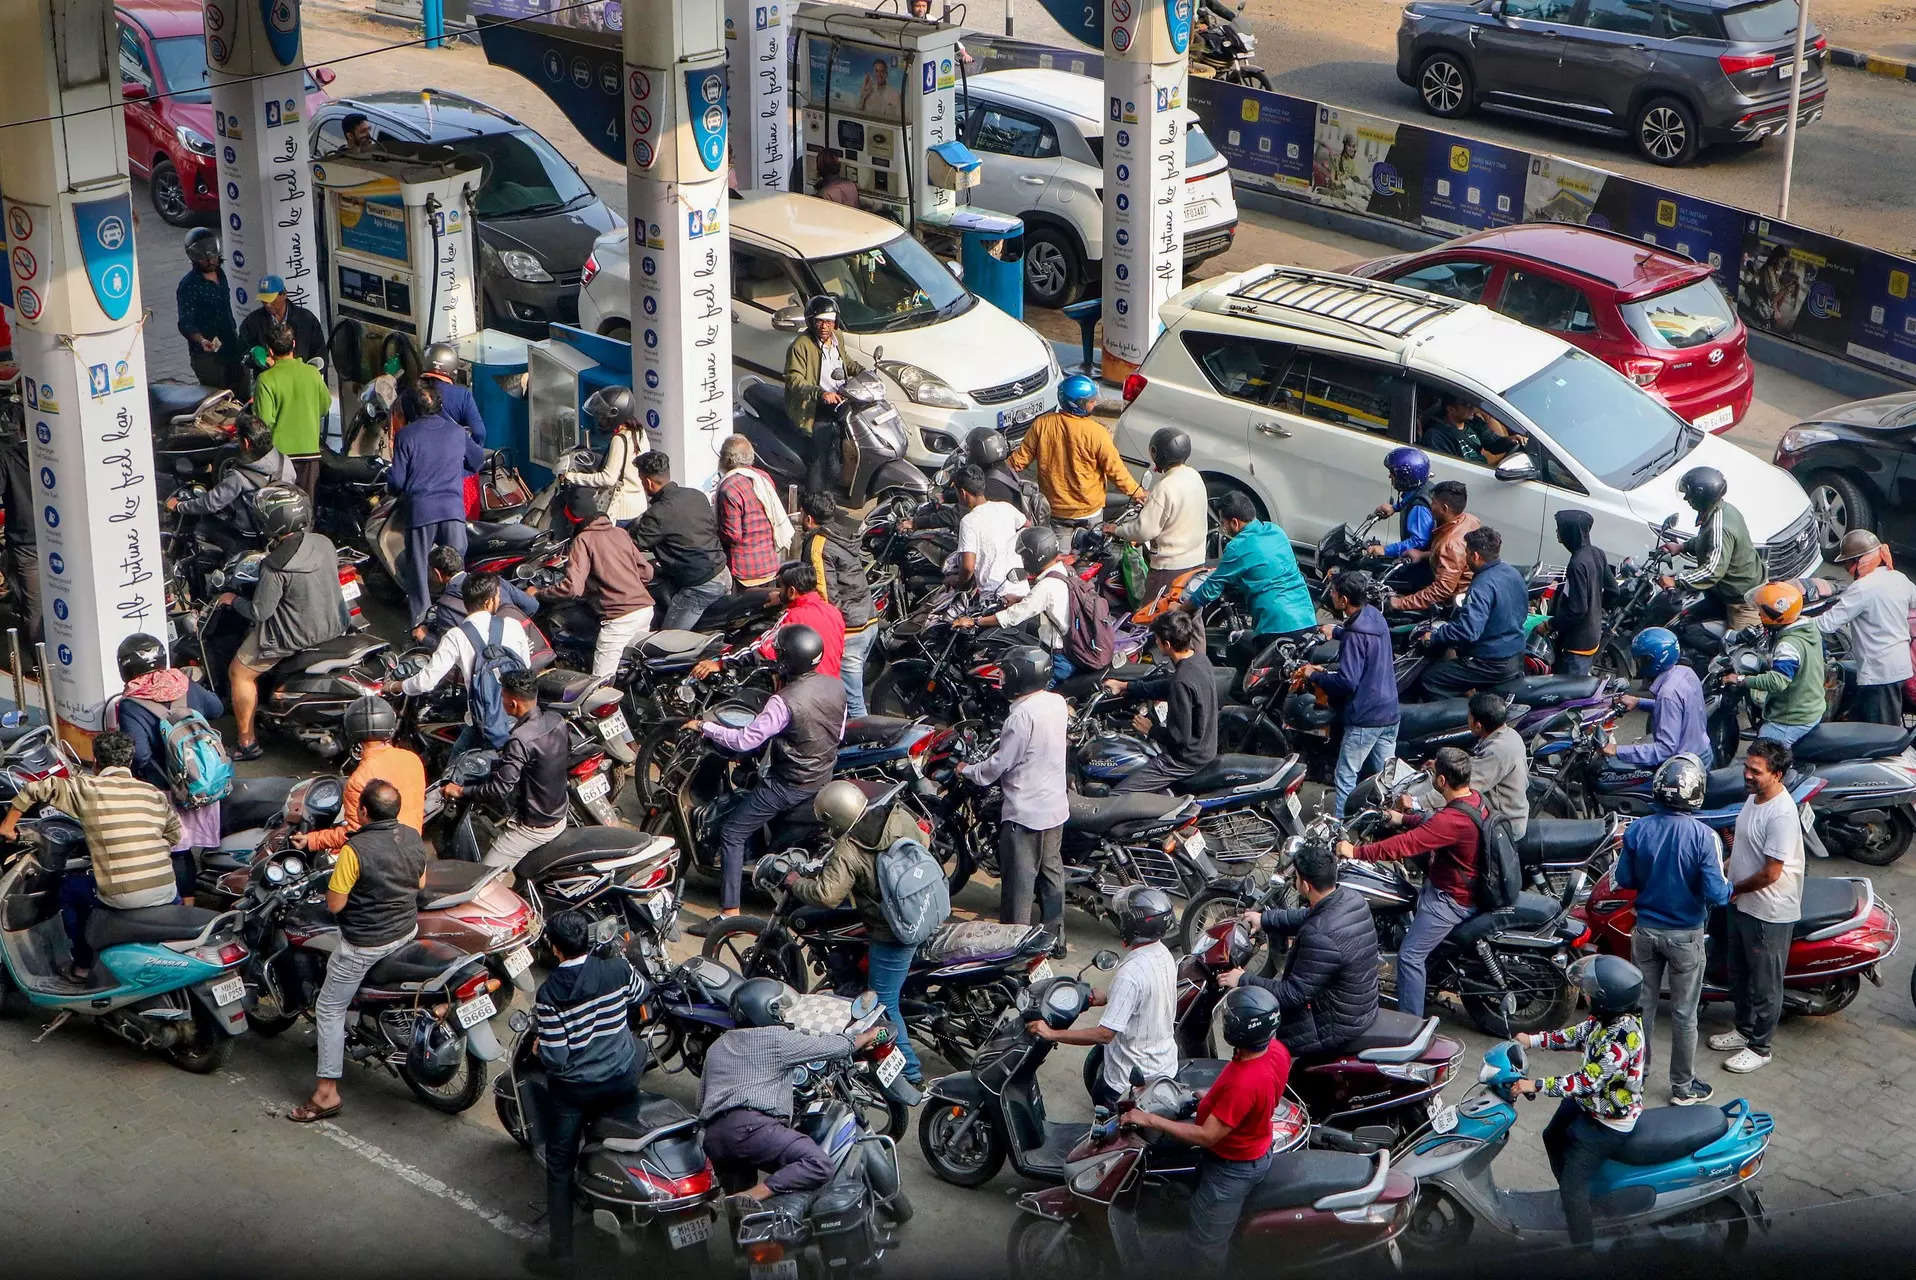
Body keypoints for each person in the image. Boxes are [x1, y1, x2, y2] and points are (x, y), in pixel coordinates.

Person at [285, 781, 429, 1123]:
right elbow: (420, 884)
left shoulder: (355, 849)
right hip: (405, 930)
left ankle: (326, 1093)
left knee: (329, 1008)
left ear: (363, 812)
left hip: (366, 943)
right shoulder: (412, 836)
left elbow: (334, 905)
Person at [1125, 986, 1292, 1278]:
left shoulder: (1245, 1082)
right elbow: (1263, 1096)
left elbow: (1207, 1136)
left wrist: (1151, 1120)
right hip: (1254, 1142)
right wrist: (1212, 1096)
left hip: (1232, 1168)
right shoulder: (1276, 1051)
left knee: (1206, 1247)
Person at [688, 625, 846, 929]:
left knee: (732, 833)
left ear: (787, 661)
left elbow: (746, 741)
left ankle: (729, 914)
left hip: (789, 783)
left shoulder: (783, 701)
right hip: (822, 774)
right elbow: (837, 731)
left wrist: (705, 727)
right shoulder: (834, 685)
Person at [525, 909, 647, 1274]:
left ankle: (561, 1256)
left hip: (577, 1091)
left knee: (560, 1167)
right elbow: (640, 993)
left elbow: (558, 1058)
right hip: (623, 1079)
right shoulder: (616, 968)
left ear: (555, 949)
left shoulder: (550, 994)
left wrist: (539, 1049)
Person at [0, 732, 179, 982]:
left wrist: (8, 826)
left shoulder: (86, 787)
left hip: (124, 897)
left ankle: (82, 965)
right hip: (167, 891)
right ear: (129, 762)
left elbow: (35, 788)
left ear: (96, 762)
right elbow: (175, 835)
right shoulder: (153, 793)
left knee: (69, 889)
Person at [792, 781, 937, 1085]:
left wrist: (795, 883)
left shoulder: (850, 848)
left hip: (893, 930)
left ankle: (908, 1069)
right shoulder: (895, 815)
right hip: (928, 905)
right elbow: (924, 840)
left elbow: (828, 895)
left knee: (882, 1001)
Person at [699, 978, 883, 1211]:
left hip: (715, 1138)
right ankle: (756, 1194)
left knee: (742, 1214)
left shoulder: (717, 1045)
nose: (784, 1016)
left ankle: (744, 1219)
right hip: (752, 1130)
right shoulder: (775, 1038)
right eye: (780, 1011)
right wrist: (867, 1037)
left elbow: (702, 1099)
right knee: (817, 1164)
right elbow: (831, 1046)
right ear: (766, 1011)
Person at [1611, 753, 1731, 1106]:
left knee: (1641, 1009)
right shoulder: (1704, 837)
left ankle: (1635, 1078)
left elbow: (1624, 878)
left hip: (1645, 933)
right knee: (1683, 1014)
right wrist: (1732, 886)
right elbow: (1717, 894)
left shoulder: (1637, 830)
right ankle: (1682, 1087)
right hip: (1685, 938)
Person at [1511, 955, 1647, 1247]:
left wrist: (1534, 1085)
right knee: (1552, 1135)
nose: (1586, 994)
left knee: (1573, 1186)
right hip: (1592, 1105)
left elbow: (1585, 1082)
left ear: (1606, 999)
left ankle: (1583, 1249)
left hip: (1610, 1120)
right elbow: (1577, 1034)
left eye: (1590, 991)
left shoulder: (1621, 1039)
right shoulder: (1605, 1020)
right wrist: (1533, 1041)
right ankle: (1576, 1202)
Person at [1336, 746, 1481, 1017]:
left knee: (1410, 956)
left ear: (1441, 781)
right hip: (1449, 884)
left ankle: (1409, 1024)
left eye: (1433, 771)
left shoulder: (1453, 819)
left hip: (1450, 898)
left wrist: (1355, 852)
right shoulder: (1473, 800)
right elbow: (1433, 823)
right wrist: (1402, 817)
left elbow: (1405, 845)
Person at [1026, 886, 1178, 1108]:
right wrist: (1109, 996)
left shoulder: (1131, 973)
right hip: (1164, 1064)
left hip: (1128, 1082)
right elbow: (1148, 993)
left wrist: (1051, 1033)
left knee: (1103, 1133)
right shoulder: (1163, 954)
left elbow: (1105, 1034)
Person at [1227, 841, 1380, 1059]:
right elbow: (1310, 916)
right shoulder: (1349, 898)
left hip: (1334, 1024)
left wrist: (1243, 980)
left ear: (1306, 886)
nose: (1295, 882)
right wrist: (1265, 919)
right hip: (1358, 1006)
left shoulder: (1319, 936)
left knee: (1259, 1048)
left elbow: (1292, 994)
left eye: (1296, 878)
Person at [960, 646, 1069, 952]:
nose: (1001, 678)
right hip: (1054, 808)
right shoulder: (1056, 703)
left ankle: (1012, 950)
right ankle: (1056, 940)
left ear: (1020, 677)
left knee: (1019, 888)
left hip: (1025, 815)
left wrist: (968, 770)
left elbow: (998, 765)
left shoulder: (1020, 717)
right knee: (1051, 877)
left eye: (1006, 673)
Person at [226, 486, 345, 760]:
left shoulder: (275, 565)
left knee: (239, 673)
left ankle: (246, 742)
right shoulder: (324, 542)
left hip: (294, 636)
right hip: (334, 623)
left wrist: (232, 600)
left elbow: (260, 612)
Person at [108, 634, 227, 898]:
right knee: (200, 843)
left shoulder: (131, 703)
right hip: (206, 778)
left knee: (179, 851)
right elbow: (217, 708)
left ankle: (185, 910)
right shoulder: (184, 683)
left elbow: (139, 756)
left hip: (172, 789)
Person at [1712, 739, 1804, 1075]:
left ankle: (1760, 1046)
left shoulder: (1781, 813)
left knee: (1765, 984)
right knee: (1740, 974)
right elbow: (1743, 850)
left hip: (1768, 911)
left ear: (1777, 774)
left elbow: (1771, 872)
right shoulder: (1754, 799)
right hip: (1742, 903)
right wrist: (1722, 869)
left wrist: (1733, 888)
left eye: (1756, 771)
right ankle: (1743, 1029)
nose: (1748, 775)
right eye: (1747, 767)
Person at [444, 670, 569, 873]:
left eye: (502, 697)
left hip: (536, 826)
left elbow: (499, 790)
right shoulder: (556, 719)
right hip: (559, 810)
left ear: (513, 704)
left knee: (482, 878)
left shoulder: (519, 739)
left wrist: (461, 791)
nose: (500, 702)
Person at [396, 571, 534, 750]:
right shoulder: (512, 625)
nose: (499, 601)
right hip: (521, 714)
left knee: (455, 770)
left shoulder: (456, 636)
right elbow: (526, 666)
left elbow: (425, 683)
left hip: (485, 724)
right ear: (489, 601)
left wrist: (396, 686)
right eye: (498, 597)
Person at [1299, 570, 1398, 818]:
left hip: (1366, 717)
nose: (1330, 595)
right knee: (1389, 780)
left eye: (1333, 592)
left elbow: (1347, 682)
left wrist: (1314, 675)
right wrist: (1338, 631)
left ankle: (1339, 830)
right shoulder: (1375, 616)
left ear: (1343, 600)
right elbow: (1365, 640)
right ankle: (1394, 821)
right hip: (1390, 713)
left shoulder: (1355, 636)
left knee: (1345, 776)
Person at [390, 377, 484, 630]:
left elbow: (397, 480)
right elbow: (477, 461)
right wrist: (454, 471)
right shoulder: (456, 432)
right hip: (453, 509)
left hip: (421, 511)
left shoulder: (406, 436)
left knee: (419, 568)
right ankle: (461, 617)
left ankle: (419, 624)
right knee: (456, 569)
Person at [1183, 491, 1317, 664]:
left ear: (1235, 523)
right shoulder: (1276, 532)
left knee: (1256, 678)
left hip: (1275, 627)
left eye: (1223, 523)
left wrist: (1182, 609)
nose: (1222, 528)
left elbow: (1211, 588)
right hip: (1307, 619)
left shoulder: (1237, 547)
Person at [538, 484, 655, 678]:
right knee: (629, 672)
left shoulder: (583, 540)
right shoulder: (620, 533)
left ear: (573, 517)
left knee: (601, 687)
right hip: (644, 611)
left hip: (619, 620)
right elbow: (647, 572)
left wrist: (541, 593)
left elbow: (573, 588)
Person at [1006, 373, 1142, 529]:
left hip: (1055, 510)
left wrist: (996, 472)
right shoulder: (1097, 432)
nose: (1095, 402)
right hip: (1089, 512)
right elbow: (1116, 470)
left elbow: (1018, 461)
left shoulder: (1042, 425)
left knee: (1060, 553)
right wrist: (1137, 492)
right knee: (1092, 551)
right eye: (1091, 401)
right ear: (1079, 404)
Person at [295, 696, 427, 854]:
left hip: (382, 866)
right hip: (415, 858)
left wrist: (312, 840)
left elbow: (355, 835)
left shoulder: (360, 780)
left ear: (352, 731)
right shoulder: (412, 760)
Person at [1104, 611, 1218, 794]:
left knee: (1118, 795)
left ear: (1167, 644)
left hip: (1185, 759)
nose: (1155, 643)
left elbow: (1179, 738)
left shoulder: (1182, 680)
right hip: (1205, 747)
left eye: (1157, 639)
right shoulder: (1199, 659)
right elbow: (1167, 686)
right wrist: (1125, 686)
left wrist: (1150, 730)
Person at [1815, 529, 1915, 724]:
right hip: (1899, 665)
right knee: (1859, 719)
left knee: (1882, 732)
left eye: (1846, 563)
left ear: (1859, 561)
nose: (1845, 568)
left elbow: (1826, 624)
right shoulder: (1898, 578)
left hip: (1879, 673)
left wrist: (1795, 622)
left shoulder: (1862, 589)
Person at [952, 526, 1075, 683]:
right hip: (1066, 649)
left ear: (1035, 556)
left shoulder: (1046, 586)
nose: (1023, 561)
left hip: (1059, 659)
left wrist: (975, 621)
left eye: (1024, 556)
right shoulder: (1063, 572)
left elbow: (1012, 617)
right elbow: (1049, 601)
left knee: (1024, 694)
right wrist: (1019, 599)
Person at [1416, 526, 1527, 700]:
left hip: (1491, 662)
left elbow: (1468, 631)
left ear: (1475, 556)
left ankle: (1455, 722)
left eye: (1467, 553)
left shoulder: (1482, 585)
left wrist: (1435, 637)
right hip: (1515, 655)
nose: (1465, 558)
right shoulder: (1513, 574)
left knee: (1431, 679)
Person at [168, 412, 296, 552]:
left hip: (249, 535)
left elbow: (210, 504)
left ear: (246, 443)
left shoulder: (238, 476)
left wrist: (180, 506)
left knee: (202, 527)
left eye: (237, 438)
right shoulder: (285, 461)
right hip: (278, 531)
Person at [633, 450, 732, 629]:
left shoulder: (657, 514)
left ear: (647, 481)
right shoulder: (696, 495)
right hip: (723, 573)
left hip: (700, 586)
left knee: (668, 642)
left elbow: (633, 545)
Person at [800, 493, 879, 716]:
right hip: (868, 620)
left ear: (808, 518)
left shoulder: (819, 544)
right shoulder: (842, 533)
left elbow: (825, 593)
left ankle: (862, 747)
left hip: (851, 629)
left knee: (854, 704)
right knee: (851, 691)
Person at [1664, 465, 1763, 638]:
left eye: (1690, 493)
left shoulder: (1720, 526)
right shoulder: (1719, 510)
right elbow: (1709, 543)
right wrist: (1682, 547)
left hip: (1742, 603)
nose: (1687, 497)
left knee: (1736, 653)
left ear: (1701, 494)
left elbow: (1712, 570)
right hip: (1722, 594)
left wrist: (1676, 581)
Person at [1109, 428, 1206, 602]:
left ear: (1156, 453)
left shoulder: (1164, 487)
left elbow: (1144, 531)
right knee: (1187, 615)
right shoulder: (1194, 476)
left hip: (1170, 568)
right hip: (1197, 562)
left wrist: (1117, 530)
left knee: (1150, 620)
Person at [784, 295, 866, 496]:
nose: (824, 326)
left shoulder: (838, 339)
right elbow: (794, 380)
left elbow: (846, 363)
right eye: (819, 321)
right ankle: (814, 502)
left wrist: (864, 372)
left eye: (829, 321)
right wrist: (820, 394)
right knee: (819, 458)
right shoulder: (800, 346)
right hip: (814, 407)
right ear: (811, 321)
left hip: (841, 401)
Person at [1726, 581, 1826, 746]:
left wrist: (1740, 679)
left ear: (1775, 615)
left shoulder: (1788, 645)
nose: (1758, 615)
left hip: (1791, 719)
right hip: (1812, 707)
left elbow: (1777, 681)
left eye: (1761, 611)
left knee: (1761, 759)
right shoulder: (1809, 628)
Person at [1419, 692, 1529, 837]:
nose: (1467, 719)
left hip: (1501, 825)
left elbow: (1460, 787)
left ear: (1478, 725)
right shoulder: (1509, 734)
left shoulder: (1498, 751)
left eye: (1469, 716)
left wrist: (1419, 802)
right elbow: (1477, 764)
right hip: (1497, 810)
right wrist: (1442, 766)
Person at [1609, 627, 1713, 769]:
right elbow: (1679, 711)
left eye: (1639, 660)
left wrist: (1616, 749)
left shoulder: (1667, 693)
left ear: (1651, 661)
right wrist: (1638, 702)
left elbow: (1665, 750)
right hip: (1702, 752)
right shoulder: (1686, 672)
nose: (1637, 664)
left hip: (1683, 767)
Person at [251, 323, 329, 495]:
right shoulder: (313, 373)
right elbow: (324, 407)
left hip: (280, 457)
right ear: (293, 345)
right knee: (306, 507)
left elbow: (264, 422)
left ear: (270, 351)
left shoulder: (266, 379)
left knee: (283, 509)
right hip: (310, 453)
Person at [559, 386, 649, 525]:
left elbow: (608, 478)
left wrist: (572, 477)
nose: (600, 420)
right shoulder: (639, 431)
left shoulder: (620, 439)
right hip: (639, 504)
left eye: (603, 416)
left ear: (615, 414)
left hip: (620, 511)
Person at [714, 435, 794, 589]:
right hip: (770, 564)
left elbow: (732, 535)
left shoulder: (729, 488)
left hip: (745, 571)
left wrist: (713, 531)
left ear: (728, 460)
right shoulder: (763, 477)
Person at [1388, 481, 1479, 615]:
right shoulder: (1470, 520)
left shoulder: (1451, 544)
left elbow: (1442, 590)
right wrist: (1423, 555)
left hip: (1452, 605)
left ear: (1444, 508)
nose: (1430, 506)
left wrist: (1400, 603)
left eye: (1433, 503)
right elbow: (1457, 559)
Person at [421, 543, 540, 643]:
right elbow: (532, 606)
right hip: (524, 645)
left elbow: (451, 649)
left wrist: (425, 637)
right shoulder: (494, 580)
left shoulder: (446, 608)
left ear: (437, 573)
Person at [175, 228, 241, 393]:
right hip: (208, 357)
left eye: (213, 256)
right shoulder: (188, 285)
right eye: (204, 258)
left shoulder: (221, 274)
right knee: (217, 399)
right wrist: (201, 340)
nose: (211, 261)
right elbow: (185, 322)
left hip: (231, 346)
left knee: (242, 392)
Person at [1549, 509, 1610, 676]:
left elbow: (1577, 609)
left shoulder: (1577, 564)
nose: (1557, 532)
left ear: (1570, 532)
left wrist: (1550, 625)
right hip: (1593, 635)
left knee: (1569, 695)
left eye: (1559, 528)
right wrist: (1596, 609)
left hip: (1576, 644)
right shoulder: (1597, 553)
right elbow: (1613, 590)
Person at [953, 465, 1027, 598]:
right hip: (1022, 589)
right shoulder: (1006, 508)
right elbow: (1027, 526)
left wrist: (958, 582)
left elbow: (968, 567)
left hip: (994, 596)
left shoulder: (968, 521)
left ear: (963, 493)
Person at [0, 413, 41, 643]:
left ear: (21, 430)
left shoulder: (9, 457)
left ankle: (38, 659)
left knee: (34, 603)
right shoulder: (57, 454)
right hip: (60, 538)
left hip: (25, 541)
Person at [236, 275, 325, 370]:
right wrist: (256, 358)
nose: (267, 304)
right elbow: (242, 351)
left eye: (271, 299)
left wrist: (310, 375)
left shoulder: (306, 320)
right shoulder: (252, 322)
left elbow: (320, 353)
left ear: (284, 295)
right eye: (264, 300)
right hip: (269, 381)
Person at [1368, 446, 1434, 569]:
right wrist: (1395, 508)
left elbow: (1418, 541)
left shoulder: (1419, 508)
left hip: (1417, 568)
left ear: (1405, 478)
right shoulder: (1424, 487)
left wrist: (1385, 550)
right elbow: (1412, 497)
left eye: (1392, 474)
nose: (1389, 477)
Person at [1421, 390, 1527, 464]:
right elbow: (1449, 468)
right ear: (1451, 409)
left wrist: (1511, 440)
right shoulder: (1436, 437)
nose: (1472, 407)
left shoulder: (1474, 422)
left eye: (1471, 403)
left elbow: (1494, 443)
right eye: (1466, 404)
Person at [419, 342, 488, 446]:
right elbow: (479, 433)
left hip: (418, 457)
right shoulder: (462, 396)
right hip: (453, 458)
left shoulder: (408, 392)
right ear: (452, 369)